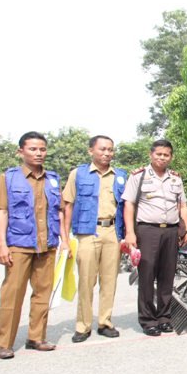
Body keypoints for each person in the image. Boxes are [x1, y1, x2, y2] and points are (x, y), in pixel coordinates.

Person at [0, 131, 68, 358]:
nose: (38, 153)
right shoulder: (8, 178)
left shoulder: (52, 179)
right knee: (12, 295)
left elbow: (60, 212)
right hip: (19, 244)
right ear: (21, 151)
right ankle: (5, 343)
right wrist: (2, 245)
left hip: (47, 245)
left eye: (42, 149)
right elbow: (1, 211)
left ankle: (36, 337)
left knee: (43, 294)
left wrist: (64, 240)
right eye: (33, 149)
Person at [62, 135, 128, 343]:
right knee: (86, 281)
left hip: (112, 232)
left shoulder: (120, 175)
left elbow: (127, 207)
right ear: (91, 151)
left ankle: (105, 322)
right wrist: (65, 239)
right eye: (102, 149)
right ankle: (83, 326)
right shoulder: (78, 174)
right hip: (87, 232)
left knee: (109, 281)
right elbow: (67, 205)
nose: (107, 153)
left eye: (110, 149)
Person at [122, 139, 187, 337]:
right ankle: (148, 320)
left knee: (167, 275)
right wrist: (130, 232)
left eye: (166, 154)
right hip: (147, 230)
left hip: (171, 231)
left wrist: (184, 229)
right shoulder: (139, 176)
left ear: (171, 157)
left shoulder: (176, 179)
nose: (162, 157)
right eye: (158, 154)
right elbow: (129, 205)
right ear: (151, 154)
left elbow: (182, 205)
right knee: (147, 275)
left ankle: (164, 317)